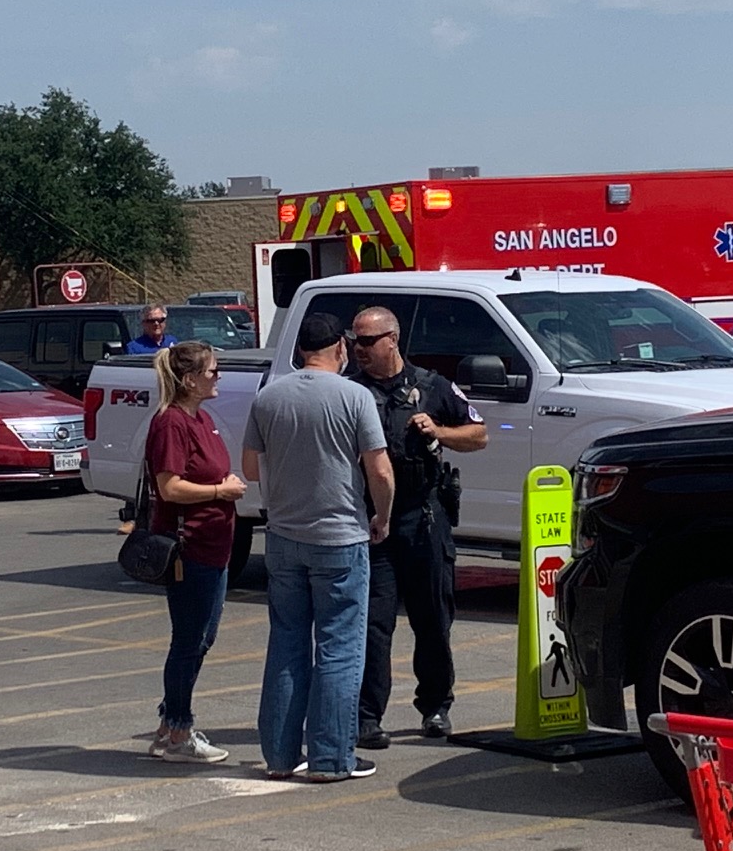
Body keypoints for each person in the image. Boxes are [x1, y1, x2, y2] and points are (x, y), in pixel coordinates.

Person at [242, 312, 393, 782]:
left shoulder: (269, 397)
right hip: (340, 537)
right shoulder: (355, 396)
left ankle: (280, 756)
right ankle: (331, 758)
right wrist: (381, 517)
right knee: (339, 647)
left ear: (300, 350)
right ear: (341, 348)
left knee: (287, 644)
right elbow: (380, 470)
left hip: (284, 537)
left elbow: (250, 468)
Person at [347, 304, 486, 746]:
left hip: (424, 517)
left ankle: (436, 707)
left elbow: (479, 434)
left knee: (432, 617)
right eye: (354, 342)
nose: (359, 350)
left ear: (392, 339)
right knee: (374, 622)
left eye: (367, 341)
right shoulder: (351, 392)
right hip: (373, 520)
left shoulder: (431, 386)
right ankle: (368, 716)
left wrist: (439, 431)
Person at [144, 340, 247, 764]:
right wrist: (221, 490)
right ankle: (179, 731)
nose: (217, 377)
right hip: (191, 549)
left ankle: (170, 724)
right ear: (189, 380)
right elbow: (169, 487)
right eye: (212, 372)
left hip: (215, 545)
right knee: (189, 641)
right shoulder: (172, 423)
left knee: (201, 638)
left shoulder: (200, 418)